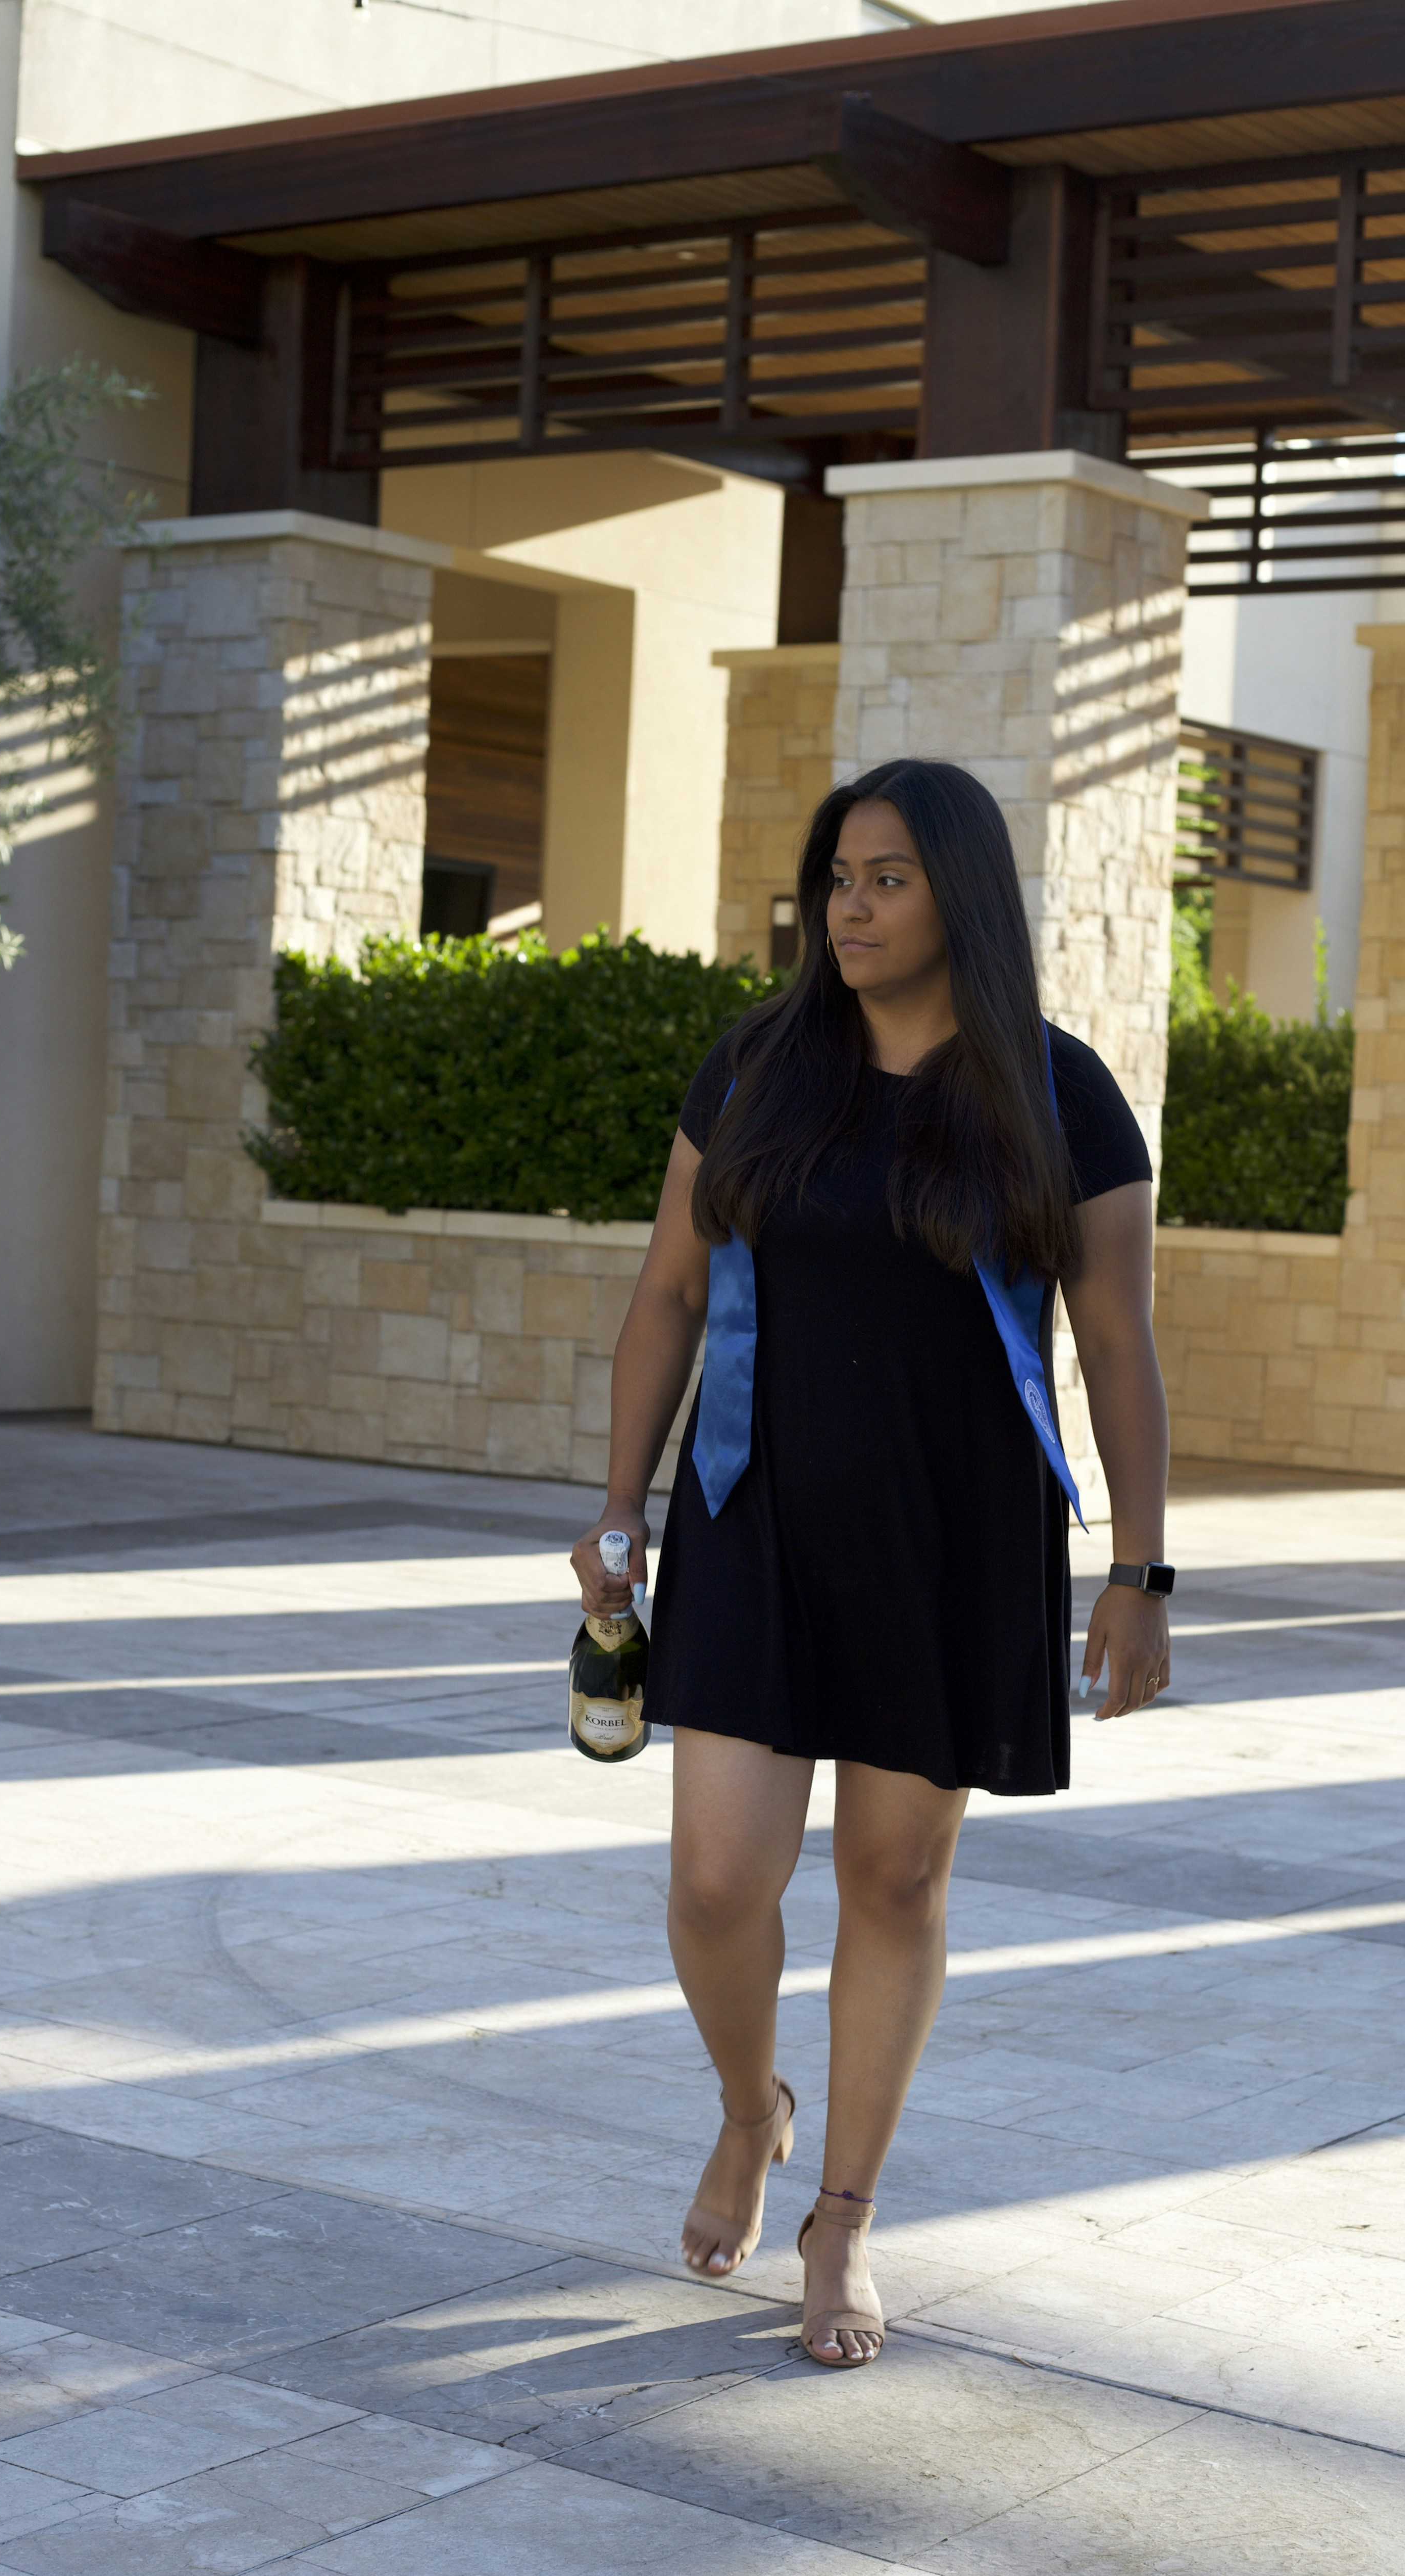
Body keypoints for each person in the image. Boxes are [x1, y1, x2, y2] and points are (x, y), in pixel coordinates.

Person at [569, 758, 1172, 2368]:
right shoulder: (760, 1070)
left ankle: (841, 2221)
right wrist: (619, 1509)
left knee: (892, 1878)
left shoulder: (1058, 1094)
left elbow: (1115, 1339)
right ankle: (745, 2104)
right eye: (838, 875)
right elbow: (670, 1300)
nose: (850, 905)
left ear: (957, 895)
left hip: (955, 1534)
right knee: (715, 1882)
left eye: (889, 876)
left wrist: (1144, 1571)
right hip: (753, 1511)